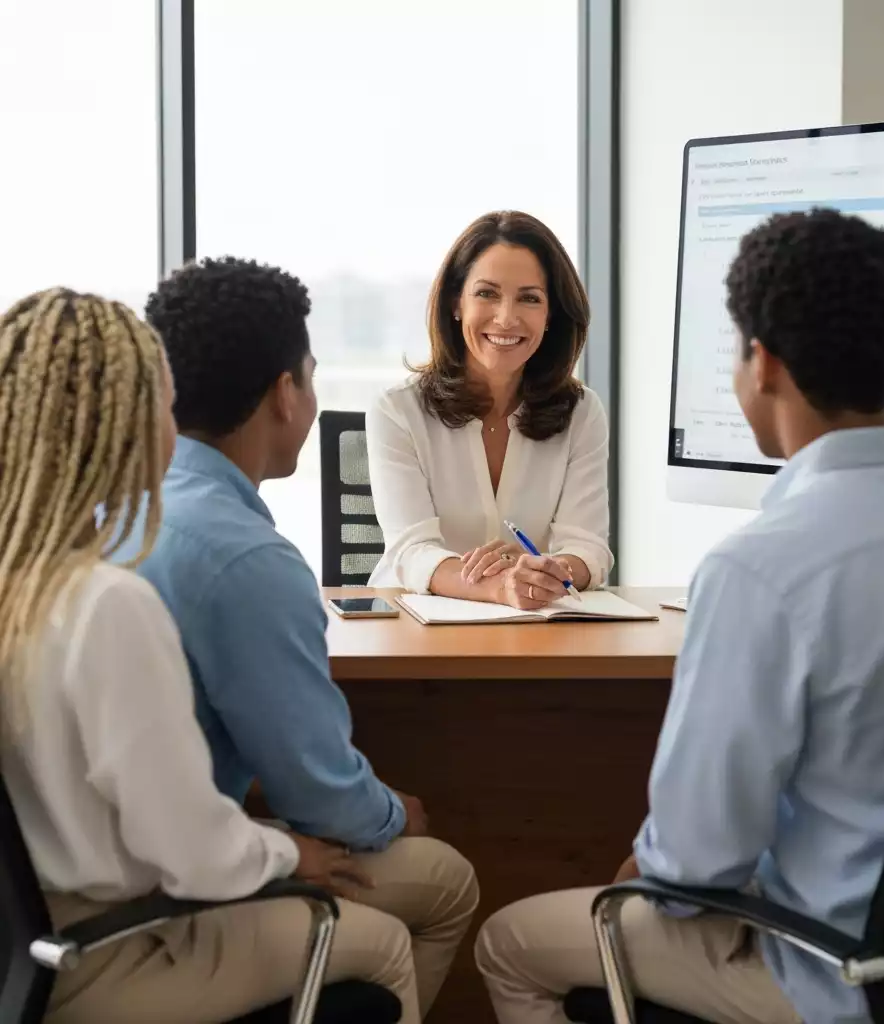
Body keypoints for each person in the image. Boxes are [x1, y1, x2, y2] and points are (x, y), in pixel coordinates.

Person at [474, 208, 884, 1024]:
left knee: (512, 945)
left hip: (835, 975)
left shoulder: (762, 570)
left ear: (761, 363)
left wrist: (648, 867)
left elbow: (693, 869)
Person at [0, 289, 419, 1021]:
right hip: (110, 948)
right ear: (132, 425)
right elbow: (193, 852)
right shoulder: (107, 604)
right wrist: (289, 853)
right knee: (383, 945)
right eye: (166, 405)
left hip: (25, 949)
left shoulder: (24, 581)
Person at [116, 258, 478, 1020]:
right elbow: (324, 801)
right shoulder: (247, 560)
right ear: (286, 393)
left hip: (77, 890)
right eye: (311, 380)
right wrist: (395, 813)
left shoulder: (114, 512)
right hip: (156, 905)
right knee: (443, 880)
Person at [366, 210, 612, 610]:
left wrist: (550, 573)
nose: (506, 318)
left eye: (529, 298)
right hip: (411, 627)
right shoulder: (397, 410)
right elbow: (411, 552)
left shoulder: (582, 412)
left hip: (532, 628)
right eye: (487, 293)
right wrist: (500, 586)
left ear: (550, 315)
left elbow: (589, 548)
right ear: (456, 302)